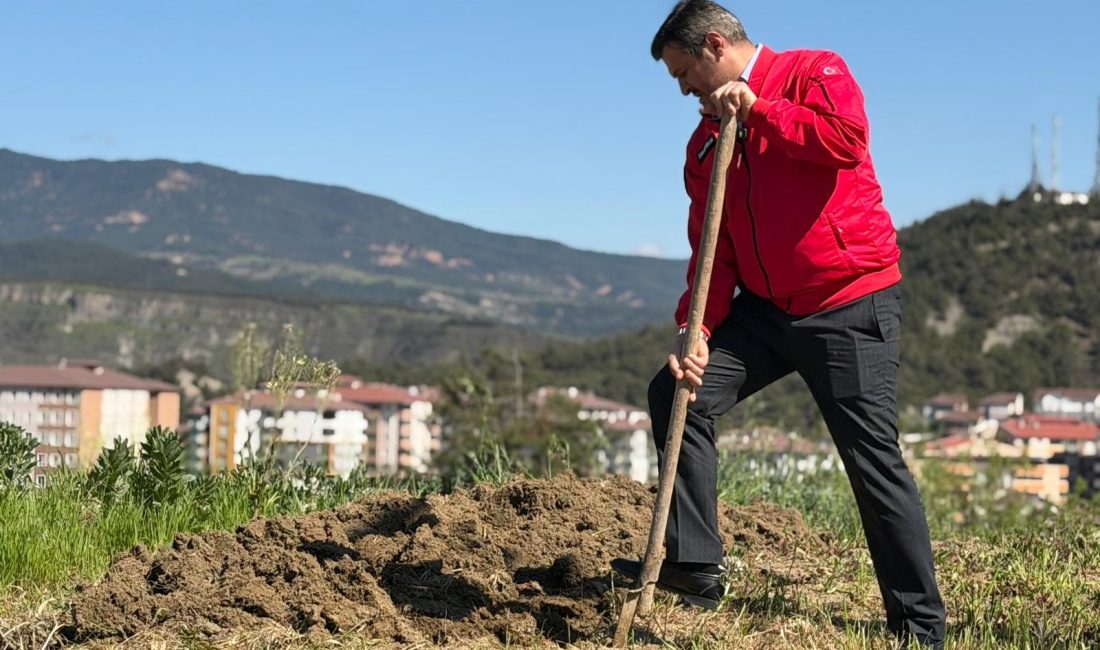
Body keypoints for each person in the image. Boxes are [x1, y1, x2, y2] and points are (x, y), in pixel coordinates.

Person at [611, 1, 946, 647]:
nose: (683, 90)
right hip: (767, 310)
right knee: (678, 393)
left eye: (685, 73)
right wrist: (696, 329)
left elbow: (846, 141)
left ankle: (919, 625)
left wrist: (760, 110)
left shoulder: (814, 71)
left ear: (715, 46)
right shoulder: (705, 140)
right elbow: (714, 248)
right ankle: (696, 565)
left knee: (871, 460)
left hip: (847, 302)